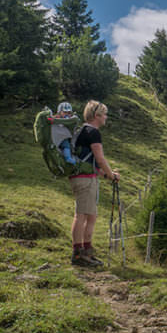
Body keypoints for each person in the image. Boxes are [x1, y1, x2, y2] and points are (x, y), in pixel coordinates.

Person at [69, 100, 120, 267]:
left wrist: (106, 174)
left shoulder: (81, 130)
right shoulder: (93, 132)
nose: (106, 117)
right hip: (85, 179)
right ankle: (78, 254)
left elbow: (91, 161)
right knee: (82, 214)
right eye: (104, 114)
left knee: (90, 215)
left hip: (83, 177)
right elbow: (99, 158)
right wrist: (111, 175)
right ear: (96, 115)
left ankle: (86, 251)